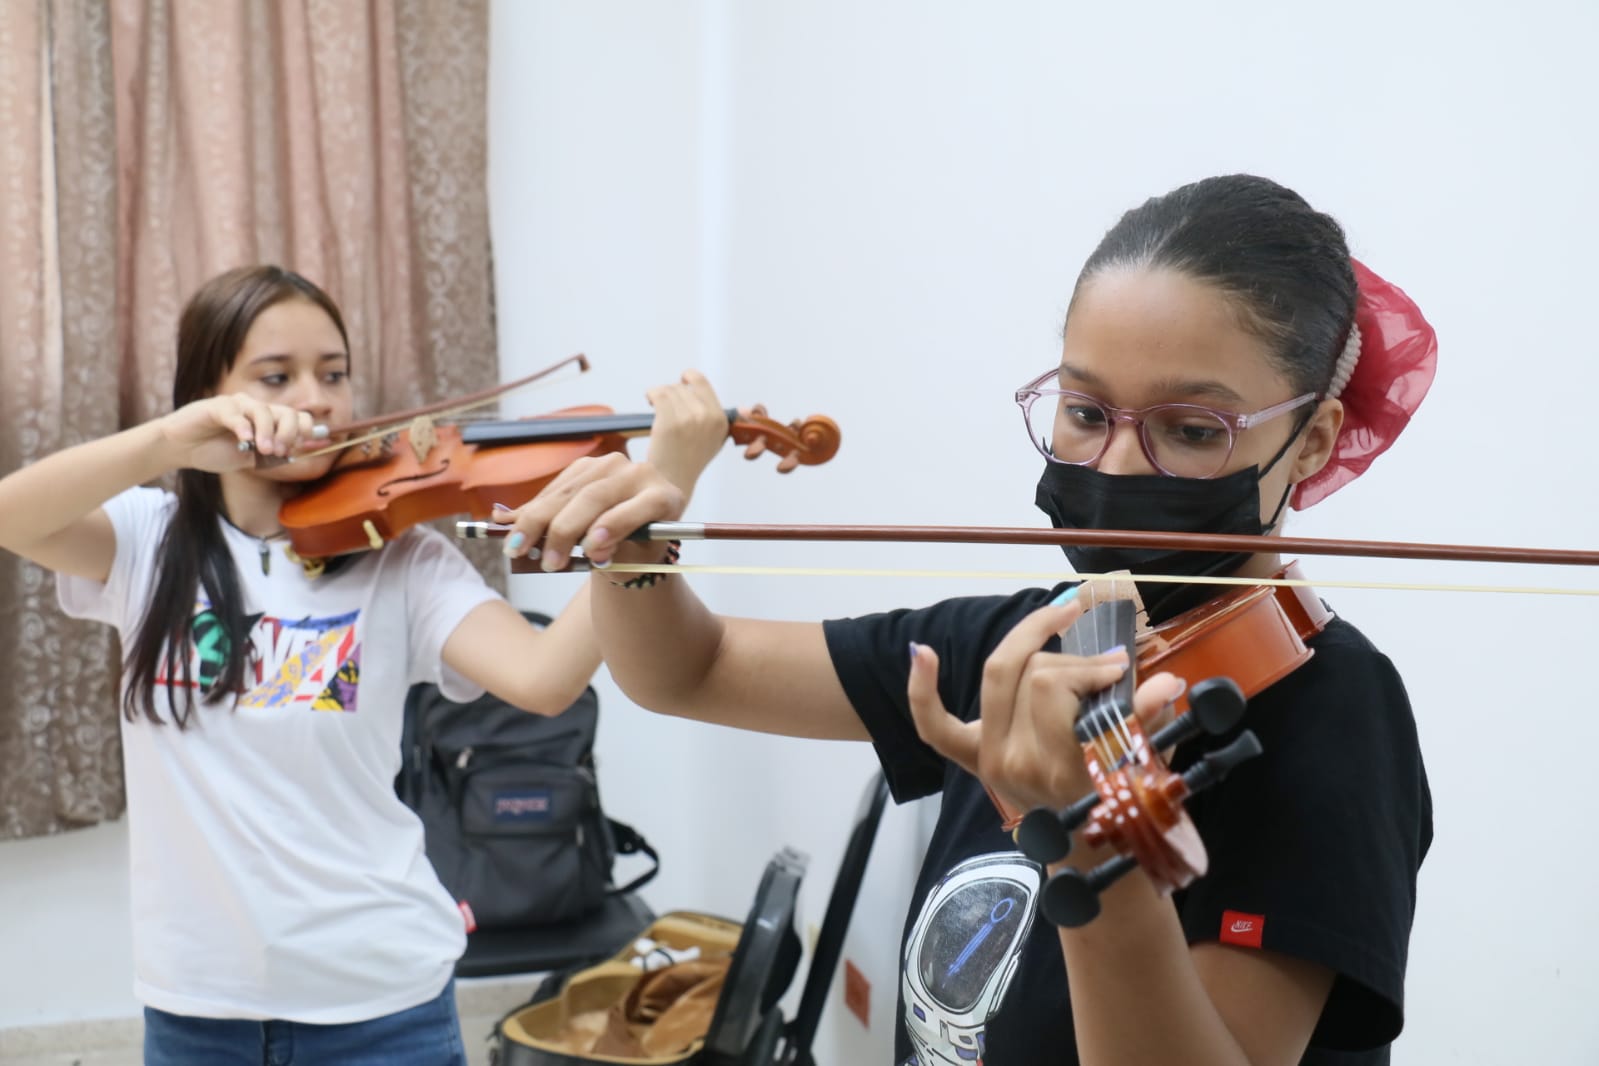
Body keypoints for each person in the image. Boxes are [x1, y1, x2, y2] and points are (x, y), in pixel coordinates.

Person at [497, 174, 1437, 1065]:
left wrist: (1085, 842)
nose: (1114, 467)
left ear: (1310, 441)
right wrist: (631, 549)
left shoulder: (1331, 712)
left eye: (1191, 430)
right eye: (1085, 412)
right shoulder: (1024, 645)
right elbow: (688, 671)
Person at [0, 265, 733, 1065]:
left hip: (382, 1006)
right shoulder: (148, 539)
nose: (315, 399)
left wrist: (659, 489)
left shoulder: (404, 562)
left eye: (334, 373)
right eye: (275, 376)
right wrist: (170, 440)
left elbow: (544, 680)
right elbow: (12, 515)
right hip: (196, 1006)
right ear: (212, 394)